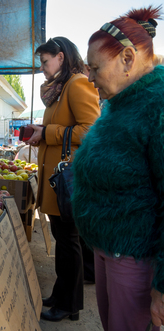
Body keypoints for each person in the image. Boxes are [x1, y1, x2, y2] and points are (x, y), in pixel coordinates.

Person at [72, 6, 164, 330]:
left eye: (95, 68)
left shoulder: (157, 106)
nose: (89, 77)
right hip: (106, 247)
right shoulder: (117, 102)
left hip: (133, 254)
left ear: (127, 59)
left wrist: (162, 286)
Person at [25, 37, 100, 322]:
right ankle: (61, 293)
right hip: (57, 181)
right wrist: (40, 133)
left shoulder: (77, 84)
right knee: (64, 240)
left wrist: (49, 133)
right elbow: (63, 128)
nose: (42, 68)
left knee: (69, 243)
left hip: (68, 181)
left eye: (45, 62)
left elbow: (91, 130)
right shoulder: (59, 88)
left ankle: (70, 304)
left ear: (60, 56)